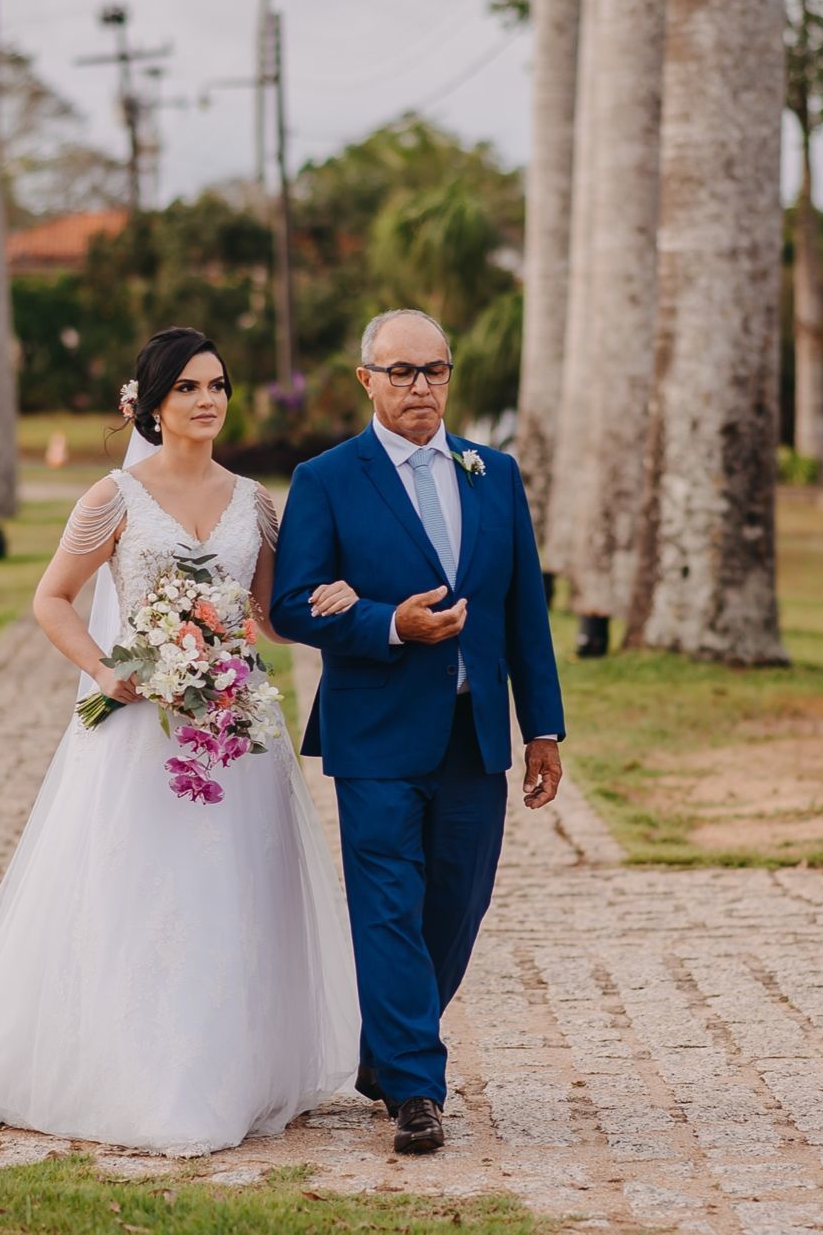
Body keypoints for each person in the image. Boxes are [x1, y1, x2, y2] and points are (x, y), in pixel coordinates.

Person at [0, 326, 361, 1157]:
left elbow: (268, 617)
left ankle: (234, 1068)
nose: (209, 401)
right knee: (147, 892)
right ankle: (139, 1070)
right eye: (191, 388)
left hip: (235, 730)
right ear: (154, 406)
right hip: (140, 727)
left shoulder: (254, 503)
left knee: (234, 894)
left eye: (219, 386)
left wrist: (334, 599)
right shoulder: (113, 498)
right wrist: (107, 669)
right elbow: (52, 599)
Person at [269, 307, 566, 1155]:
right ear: (366, 380)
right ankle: (416, 1089)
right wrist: (389, 624)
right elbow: (293, 605)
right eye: (401, 372)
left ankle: (384, 1052)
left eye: (433, 370)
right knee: (388, 907)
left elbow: (523, 613)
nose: (420, 387)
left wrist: (541, 728)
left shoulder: (493, 473)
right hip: (376, 736)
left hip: (476, 735)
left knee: (456, 907)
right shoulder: (327, 478)